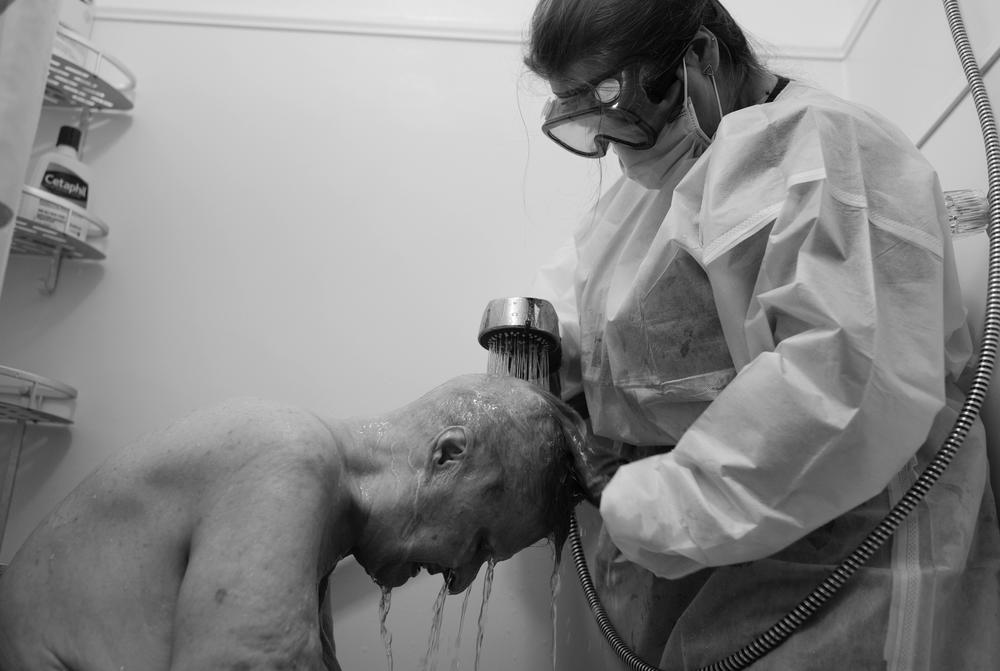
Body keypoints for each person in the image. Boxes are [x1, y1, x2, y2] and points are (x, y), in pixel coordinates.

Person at [525, 0, 1000, 668]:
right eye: (586, 127)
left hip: (859, 539)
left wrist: (634, 502)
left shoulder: (824, 148)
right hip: (722, 536)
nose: (607, 147)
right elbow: (588, 302)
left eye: (619, 117)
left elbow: (833, 393)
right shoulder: (654, 184)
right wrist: (534, 339)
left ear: (701, 60)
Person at [0, 373, 585, 671]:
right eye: (481, 542)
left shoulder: (318, 523)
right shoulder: (290, 456)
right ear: (447, 455)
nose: (459, 579)